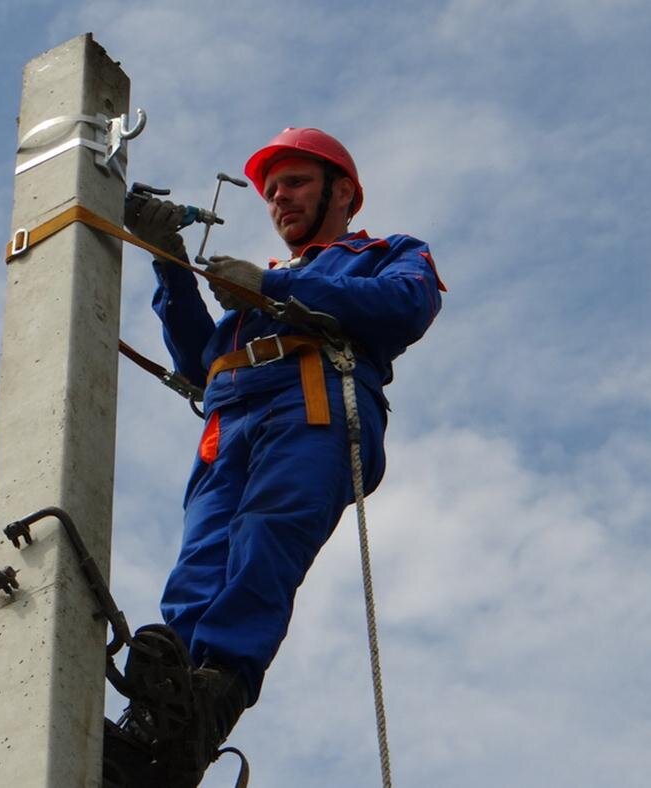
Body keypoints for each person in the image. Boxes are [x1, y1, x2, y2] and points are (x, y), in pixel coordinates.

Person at [118, 127, 444, 784]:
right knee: (199, 565)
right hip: (231, 416)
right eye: (270, 192)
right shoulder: (266, 285)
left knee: (266, 539)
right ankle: (160, 717)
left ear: (342, 191)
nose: (279, 200)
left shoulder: (384, 253)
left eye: (294, 183)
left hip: (313, 401)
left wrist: (274, 292)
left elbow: (408, 305)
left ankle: (214, 698)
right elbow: (199, 360)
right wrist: (168, 257)